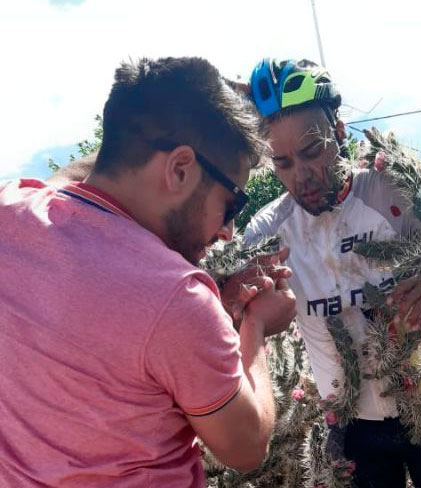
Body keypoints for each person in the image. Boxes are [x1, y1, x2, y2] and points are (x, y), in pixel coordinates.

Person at [0, 57, 296, 487]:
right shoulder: (176, 295)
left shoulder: (11, 214)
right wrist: (256, 325)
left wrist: (158, 118)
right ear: (179, 169)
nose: (229, 232)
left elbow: (90, 172)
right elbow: (246, 446)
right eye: (232, 203)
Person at [229, 58, 421, 488]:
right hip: (351, 429)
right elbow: (221, 305)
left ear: (339, 132)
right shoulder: (269, 230)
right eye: (282, 163)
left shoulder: (390, 191)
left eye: (312, 151)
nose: (301, 176)